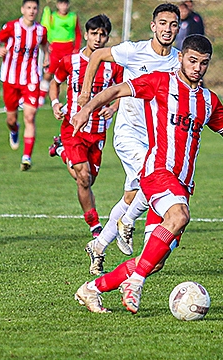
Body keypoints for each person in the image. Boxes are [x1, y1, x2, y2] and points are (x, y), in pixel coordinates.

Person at [72, 34, 223, 314]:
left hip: (181, 184)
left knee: (155, 259)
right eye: (192, 60)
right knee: (179, 216)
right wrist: (87, 107)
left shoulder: (208, 100)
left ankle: (91, 289)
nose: (197, 67)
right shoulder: (160, 81)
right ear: (181, 57)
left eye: (204, 63)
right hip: (157, 171)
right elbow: (115, 91)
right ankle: (134, 284)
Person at [77, 3, 183, 276]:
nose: (167, 29)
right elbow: (98, 55)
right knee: (153, 183)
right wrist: (85, 95)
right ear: (153, 26)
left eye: (172, 24)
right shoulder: (135, 51)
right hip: (128, 134)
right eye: (162, 23)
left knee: (132, 194)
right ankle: (128, 220)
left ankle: (98, 246)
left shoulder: (178, 61)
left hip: (157, 139)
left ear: (178, 28)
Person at [47, 14, 124, 239]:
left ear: (107, 37)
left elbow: (123, 90)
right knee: (83, 176)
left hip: (98, 131)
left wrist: (114, 107)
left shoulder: (114, 66)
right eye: (94, 34)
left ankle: (61, 150)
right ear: (87, 35)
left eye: (103, 34)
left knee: (88, 180)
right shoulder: (70, 61)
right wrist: (54, 103)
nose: (98, 38)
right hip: (73, 127)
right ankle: (94, 225)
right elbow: (55, 82)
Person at [0, 0, 49, 171]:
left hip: (31, 78)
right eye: (29, 8)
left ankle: (26, 157)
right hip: (10, 79)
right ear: (22, 9)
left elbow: (45, 45)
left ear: (37, 10)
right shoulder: (11, 27)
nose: (32, 11)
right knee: (11, 119)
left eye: (34, 8)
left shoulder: (41, 30)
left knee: (30, 116)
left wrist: (46, 57)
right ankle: (14, 130)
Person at [39, 0, 81, 105]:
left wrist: (76, 48)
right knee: (48, 73)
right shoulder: (52, 17)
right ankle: (41, 96)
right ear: (57, 5)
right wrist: (49, 46)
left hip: (68, 49)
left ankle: (72, 98)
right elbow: (46, 30)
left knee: (71, 74)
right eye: (61, 4)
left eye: (65, 4)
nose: (63, 6)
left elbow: (78, 33)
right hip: (55, 49)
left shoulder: (73, 17)